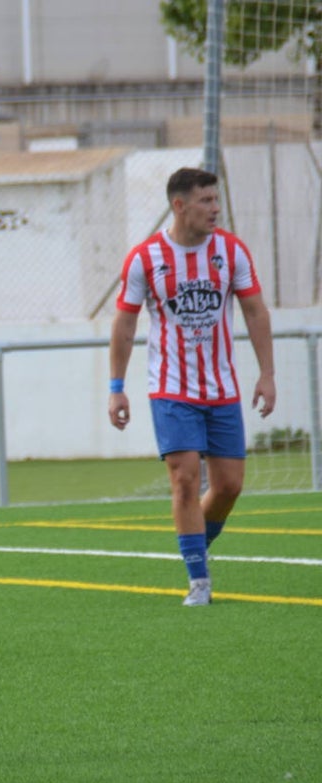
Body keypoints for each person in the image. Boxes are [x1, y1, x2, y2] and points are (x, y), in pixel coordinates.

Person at [109, 167, 276, 606]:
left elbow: (256, 312)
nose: (215, 208)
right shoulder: (144, 258)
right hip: (170, 389)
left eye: (216, 200)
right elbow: (125, 324)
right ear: (179, 205)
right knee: (184, 478)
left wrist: (267, 373)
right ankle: (199, 581)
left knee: (229, 486)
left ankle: (194, 544)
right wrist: (116, 386)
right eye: (205, 201)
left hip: (221, 389)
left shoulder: (232, 251)